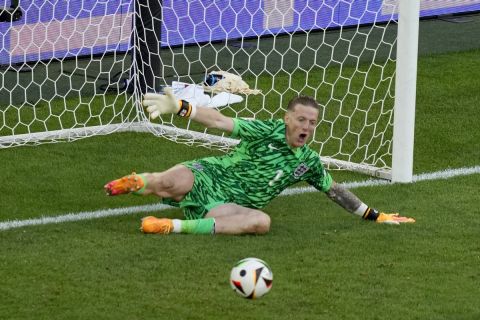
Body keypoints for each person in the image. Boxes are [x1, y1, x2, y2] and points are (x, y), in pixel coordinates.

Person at [104, 89, 415, 235]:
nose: (306, 126)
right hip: (209, 176)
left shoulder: (308, 162)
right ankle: (137, 182)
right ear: (287, 118)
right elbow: (220, 121)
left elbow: (334, 191)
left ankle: (171, 226)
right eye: (301, 119)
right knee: (169, 183)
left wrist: (375, 216)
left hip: (229, 207)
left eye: (313, 122)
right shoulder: (267, 130)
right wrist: (183, 107)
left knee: (261, 222)